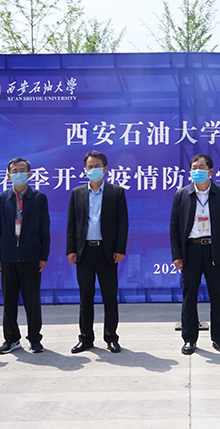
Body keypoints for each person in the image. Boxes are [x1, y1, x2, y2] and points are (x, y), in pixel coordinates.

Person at [170, 154, 220, 355]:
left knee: (217, 296)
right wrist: (177, 255)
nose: (197, 171)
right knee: (189, 296)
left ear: (210, 171)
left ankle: (219, 338)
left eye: (201, 167)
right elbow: (174, 227)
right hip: (191, 250)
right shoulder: (182, 194)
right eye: (194, 168)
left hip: (214, 250)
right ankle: (189, 339)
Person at [66, 150, 128, 354]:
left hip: (107, 252)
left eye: (97, 166)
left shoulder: (116, 192)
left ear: (105, 168)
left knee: (110, 296)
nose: (93, 169)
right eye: (90, 166)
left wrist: (119, 249)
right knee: (86, 297)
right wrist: (71, 249)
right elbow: (72, 224)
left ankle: (111, 338)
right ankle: (85, 339)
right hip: (84, 251)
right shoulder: (77, 193)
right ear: (85, 169)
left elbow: (123, 223)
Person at [0, 157, 50, 354]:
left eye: (22, 170)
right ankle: (11, 338)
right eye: (14, 171)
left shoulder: (39, 198)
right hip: (7, 256)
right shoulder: (1, 199)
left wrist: (43, 255)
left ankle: (35, 339)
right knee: (9, 301)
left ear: (30, 174)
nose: (18, 174)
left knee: (32, 301)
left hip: (31, 256)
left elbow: (45, 229)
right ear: (8, 176)